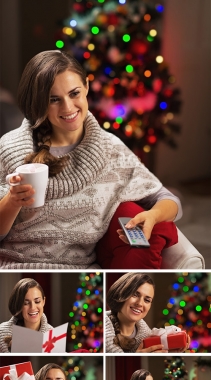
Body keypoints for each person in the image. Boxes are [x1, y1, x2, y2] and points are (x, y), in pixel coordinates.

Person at [0, 50, 182, 269]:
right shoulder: (9, 148)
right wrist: (12, 201)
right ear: (39, 102)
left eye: (74, 93)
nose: (68, 108)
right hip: (12, 267)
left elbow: (168, 200)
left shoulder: (110, 150)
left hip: (78, 270)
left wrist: (153, 215)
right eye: (53, 99)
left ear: (86, 87)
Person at [106, 273, 190, 353]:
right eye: (135, 294)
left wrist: (167, 352)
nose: (140, 303)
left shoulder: (147, 335)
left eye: (147, 300)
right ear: (120, 293)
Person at [0, 278, 52, 352]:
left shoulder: (53, 335)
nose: (33, 307)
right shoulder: (1, 331)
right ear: (19, 305)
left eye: (37, 301)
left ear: (43, 301)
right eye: (26, 303)